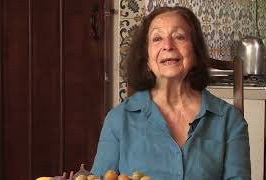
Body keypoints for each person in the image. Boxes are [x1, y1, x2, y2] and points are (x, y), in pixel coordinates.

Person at [90, 6, 251, 180]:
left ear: (196, 53)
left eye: (179, 37)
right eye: (157, 38)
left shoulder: (230, 121)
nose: (168, 45)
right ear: (147, 60)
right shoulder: (117, 120)